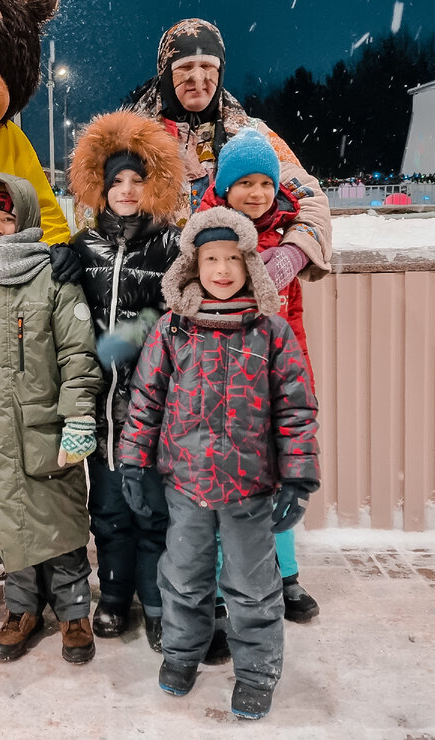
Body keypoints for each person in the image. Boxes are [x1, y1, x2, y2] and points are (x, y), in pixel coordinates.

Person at [118, 206, 320, 721]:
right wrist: (134, 464)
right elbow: (145, 400)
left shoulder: (271, 332)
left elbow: (294, 408)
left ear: (249, 264)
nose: (223, 270)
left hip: (249, 489)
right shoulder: (172, 330)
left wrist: (297, 476)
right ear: (193, 265)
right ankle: (182, 654)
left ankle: (256, 672)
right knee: (183, 578)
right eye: (212, 259)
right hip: (185, 486)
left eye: (232, 258)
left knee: (252, 588)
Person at [0, 173, 103, 665]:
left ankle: (74, 613)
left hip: (45, 433)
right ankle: (22, 610)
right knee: (10, 529)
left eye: (5, 219)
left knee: (60, 527)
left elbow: (79, 356)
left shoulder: (54, 279)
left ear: (26, 219)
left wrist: (78, 419)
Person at [197, 126, 332, 621]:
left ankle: (285, 574)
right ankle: (213, 587)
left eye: (264, 184)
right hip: (218, 375)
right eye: (244, 184)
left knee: (275, 477)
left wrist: (295, 381)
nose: (255, 194)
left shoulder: (285, 240)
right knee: (214, 478)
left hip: (273, 373)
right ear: (224, 186)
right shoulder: (206, 234)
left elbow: (290, 320)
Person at [66, 110, 183, 650]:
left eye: (138, 180)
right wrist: (61, 261)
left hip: (150, 407)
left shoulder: (171, 246)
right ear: (102, 188)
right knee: (109, 509)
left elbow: (179, 313)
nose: (128, 190)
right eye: (117, 182)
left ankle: (157, 602)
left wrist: (135, 333)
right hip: (99, 408)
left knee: (152, 510)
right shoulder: (84, 248)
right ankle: (113, 596)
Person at [131, 17, 311, 218]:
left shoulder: (254, 136)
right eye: (185, 67)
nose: (198, 79)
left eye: (208, 66)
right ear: (165, 75)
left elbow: (308, 200)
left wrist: (293, 248)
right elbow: (93, 210)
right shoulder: (129, 141)